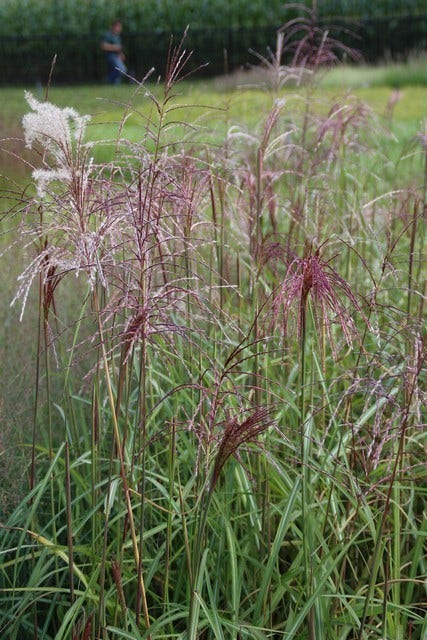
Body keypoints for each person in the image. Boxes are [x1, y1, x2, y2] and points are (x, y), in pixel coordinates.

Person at [101, 20, 127, 84]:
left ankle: (115, 86)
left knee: (116, 71)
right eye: (118, 26)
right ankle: (107, 79)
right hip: (111, 56)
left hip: (117, 56)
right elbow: (103, 46)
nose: (120, 28)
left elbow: (118, 48)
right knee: (122, 70)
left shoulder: (117, 36)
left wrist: (121, 54)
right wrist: (115, 47)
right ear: (113, 26)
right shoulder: (108, 35)